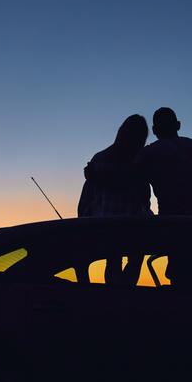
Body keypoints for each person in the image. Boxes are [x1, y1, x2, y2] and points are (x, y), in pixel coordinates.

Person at [136, 107, 192, 291]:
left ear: (155, 130)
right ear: (178, 125)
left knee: (181, 275)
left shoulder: (148, 153)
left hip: (171, 223)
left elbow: (139, 193)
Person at [78, 114, 151, 285]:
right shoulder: (139, 163)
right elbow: (144, 195)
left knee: (113, 261)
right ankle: (124, 293)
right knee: (134, 260)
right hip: (132, 224)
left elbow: (87, 197)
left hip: (105, 223)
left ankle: (114, 294)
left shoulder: (99, 160)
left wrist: (83, 220)